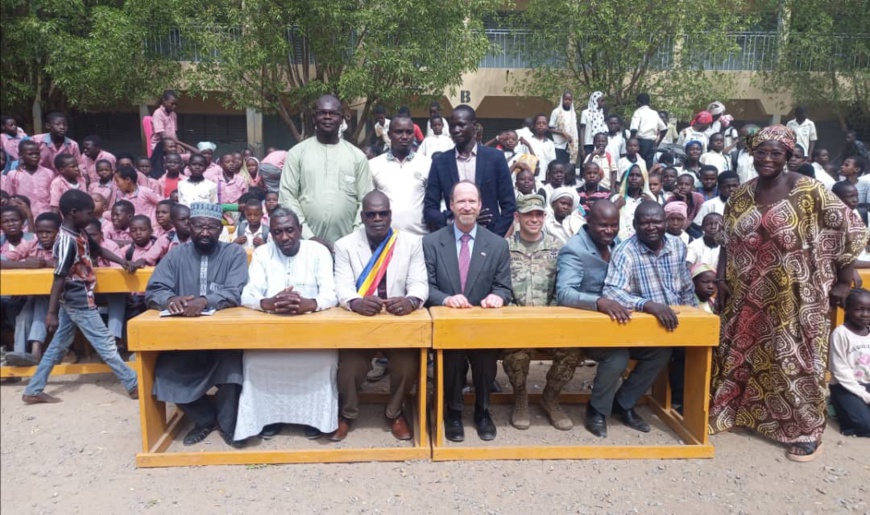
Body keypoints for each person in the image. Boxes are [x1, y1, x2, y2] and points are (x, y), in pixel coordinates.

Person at [710, 125, 867, 462]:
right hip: (747, 293)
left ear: (787, 156)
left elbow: (848, 225)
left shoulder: (807, 189)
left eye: (775, 153)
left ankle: (806, 429)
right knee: (745, 352)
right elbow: (726, 240)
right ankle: (744, 414)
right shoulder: (740, 195)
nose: (767, 158)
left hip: (796, 294)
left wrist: (843, 277)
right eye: (761, 152)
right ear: (752, 154)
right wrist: (722, 279)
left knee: (795, 358)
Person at [145, 202, 249, 448]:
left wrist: (204, 301)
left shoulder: (233, 254)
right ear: (189, 226)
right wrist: (170, 300)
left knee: (233, 370)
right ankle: (204, 418)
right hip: (184, 341)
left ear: (220, 229)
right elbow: (155, 290)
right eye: (199, 226)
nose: (205, 232)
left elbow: (236, 291)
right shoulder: (176, 255)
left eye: (211, 227)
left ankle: (228, 425)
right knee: (164, 375)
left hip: (225, 340)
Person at [21, 190, 138, 404]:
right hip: (78, 300)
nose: (92, 217)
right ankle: (133, 384)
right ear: (74, 212)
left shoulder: (79, 232)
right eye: (89, 213)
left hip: (76, 298)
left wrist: (123, 263)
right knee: (105, 344)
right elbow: (58, 277)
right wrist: (51, 312)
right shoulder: (67, 241)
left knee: (58, 345)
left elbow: (99, 250)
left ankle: (33, 389)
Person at [235, 207, 339, 441]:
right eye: (278, 232)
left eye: (290, 230)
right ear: (271, 233)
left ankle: (315, 419)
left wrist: (309, 304)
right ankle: (268, 418)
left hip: (314, 333)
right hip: (271, 332)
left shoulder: (319, 252)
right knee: (253, 362)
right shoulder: (262, 253)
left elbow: (331, 294)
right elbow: (247, 294)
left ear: (300, 230)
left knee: (326, 361)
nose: (284, 237)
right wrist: (268, 303)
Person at [332, 191, 428, 441]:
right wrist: (355, 302)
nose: (377, 218)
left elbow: (420, 283)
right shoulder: (345, 245)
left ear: (390, 215)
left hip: (398, 322)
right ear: (362, 216)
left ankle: (394, 413)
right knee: (348, 369)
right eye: (371, 214)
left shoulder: (410, 243)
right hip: (362, 321)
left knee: (408, 367)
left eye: (382, 213)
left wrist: (410, 301)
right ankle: (348, 414)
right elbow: (342, 287)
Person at [595, 201, 696, 434]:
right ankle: (614, 405)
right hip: (641, 326)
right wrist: (648, 305)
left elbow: (685, 287)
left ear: (665, 222)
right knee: (658, 352)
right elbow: (612, 292)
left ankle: (675, 405)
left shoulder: (678, 246)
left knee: (695, 350)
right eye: (645, 222)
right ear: (635, 225)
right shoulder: (625, 251)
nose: (652, 227)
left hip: (675, 320)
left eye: (657, 221)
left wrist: (692, 319)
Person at [423, 181, 512, 442]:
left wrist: (498, 296)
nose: (466, 206)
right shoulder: (431, 243)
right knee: (450, 360)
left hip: (482, 326)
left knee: (485, 362)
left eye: (472, 201)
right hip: (447, 325)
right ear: (451, 205)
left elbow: (504, 287)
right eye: (461, 201)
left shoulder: (497, 244)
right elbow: (425, 286)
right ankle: (453, 412)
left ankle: (483, 411)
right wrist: (446, 298)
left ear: (480, 205)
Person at [503, 194, 580, 430]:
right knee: (515, 353)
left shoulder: (558, 248)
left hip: (551, 324)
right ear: (518, 217)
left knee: (573, 351)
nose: (534, 219)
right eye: (528, 214)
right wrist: (515, 316)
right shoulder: (504, 248)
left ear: (545, 217)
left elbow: (564, 286)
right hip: (515, 324)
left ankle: (550, 398)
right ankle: (520, 397)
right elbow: (500, 288)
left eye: (538, 214)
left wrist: (552, 318)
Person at [556, 200, 630, 438]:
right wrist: (597, 302)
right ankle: (597, 410)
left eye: (614, 225)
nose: (609, 231)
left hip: (620, 322)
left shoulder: (619, 243)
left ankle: (624, 402)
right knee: (618, 356)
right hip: (587, 326)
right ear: (589, 223)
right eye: (603, 226)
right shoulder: (574, 249)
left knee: (659, 352)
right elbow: (564, 293)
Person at [280, 94, 372, 248]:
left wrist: (355, 237)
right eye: (322, 113)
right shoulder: (297, 154)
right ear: (314, 117)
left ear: (342, 118)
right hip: (305, 245)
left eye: (333, 113)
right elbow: (287, 198)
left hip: (349, 246)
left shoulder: (357, 157)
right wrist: (308, 236)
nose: (327, 117)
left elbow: (365, 200)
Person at [424, 104, 516, 237]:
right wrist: (453, 222)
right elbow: (430, 209)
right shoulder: (440, 163)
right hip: (453, 239)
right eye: (452, 126)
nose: (456, 130)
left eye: (461, 125)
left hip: (489, 237)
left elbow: (509, 206)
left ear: (474, 126)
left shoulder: (495, 158)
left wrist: (495, 238)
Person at [370, 115, 432, 237]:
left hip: (420, 238)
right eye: (399, 132)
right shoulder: (374, 165)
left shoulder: (427, 164)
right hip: (385, 240)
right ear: (389, 134)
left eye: (409, 132)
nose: (404, 137)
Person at [828, 288, 870, 438]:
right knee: (865, 425)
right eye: (859, 309)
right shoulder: (840, 334)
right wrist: (865, 397)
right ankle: (836, 404)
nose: (865, 314)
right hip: (845, 385)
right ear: (847, 309)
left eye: (869, 310)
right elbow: (840, 371)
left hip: (867, 384)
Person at [5, 140, 54, 217]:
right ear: (20, 155)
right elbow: (10, 198)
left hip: (47, 216)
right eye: (30, 154)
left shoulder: (48, 173)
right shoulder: (13, 175)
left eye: (37, 153)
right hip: (25, 218)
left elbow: (53, 198)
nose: (35, 156)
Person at [612, 164, 653, 241]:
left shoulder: (649, 199)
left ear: (644, 179)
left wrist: (652, 204)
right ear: (627, 178)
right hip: (618, 241)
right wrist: (615, 206)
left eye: (638, 175)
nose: (634, 178)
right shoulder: (617, 198)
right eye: (631, 175)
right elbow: (606, 216)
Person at [629, 93, 667, 168]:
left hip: (640, 142)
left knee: (638, 164)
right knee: (648, 165)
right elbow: (664, 129)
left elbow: (634, 129)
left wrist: (630, 142)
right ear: (649, 102)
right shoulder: (654, 113)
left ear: (638, 102)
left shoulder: (638, 112)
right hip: (651, 143)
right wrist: (657, 142)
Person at [549, 91, 578, 165]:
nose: (567, 101)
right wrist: (562, 133)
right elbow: (550, 128)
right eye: (565, 99)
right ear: (562, 100)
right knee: (558, 166)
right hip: (558, 145)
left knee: (567, 167)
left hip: (570, 146)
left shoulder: (573, 113)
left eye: (569, 99)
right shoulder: (556, 112)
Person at [579, 91, 606, 160]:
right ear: (595, 100)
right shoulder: (585, 113)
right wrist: (582, 149)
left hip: (599, 145)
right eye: (601, 101)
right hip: (588, 144)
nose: (603, 103)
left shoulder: (602, 113)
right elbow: (582, 130)